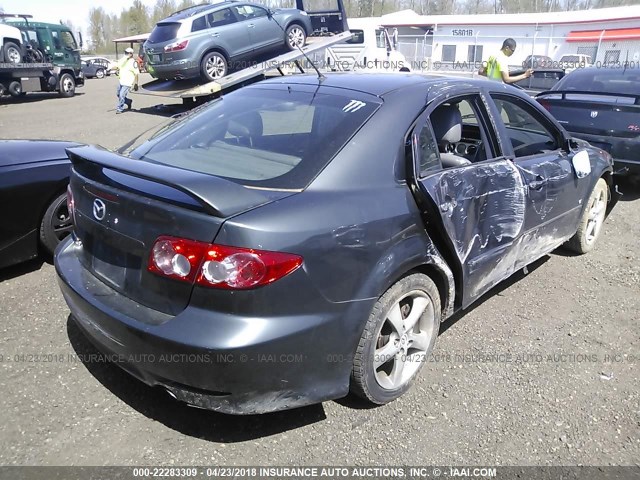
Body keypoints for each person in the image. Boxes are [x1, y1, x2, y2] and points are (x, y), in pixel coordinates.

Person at [111, 47, 139, 114]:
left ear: (131, 54)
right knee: (118, 94)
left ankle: (120, 109)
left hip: (128, 82)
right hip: (121, 81)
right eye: (125, 53)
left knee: (121, 95)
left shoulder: (133, 62)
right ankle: (128, 101)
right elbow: (117, 66)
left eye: (127, 53)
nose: (126, 54)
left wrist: (136, 83)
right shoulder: (122, 60)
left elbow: (136, 73)